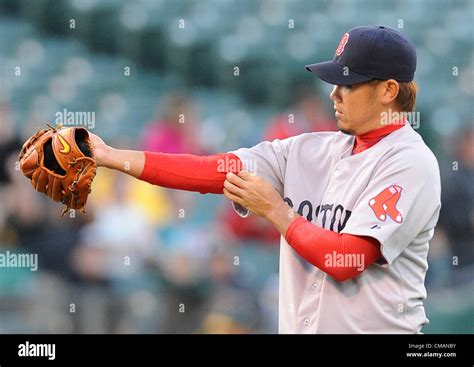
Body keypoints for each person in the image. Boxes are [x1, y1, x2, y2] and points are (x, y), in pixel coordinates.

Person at [89, 26, 441, 333]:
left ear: (388, 91)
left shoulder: (411, 164)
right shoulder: (310, 149)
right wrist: (110, 157)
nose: (334, 94)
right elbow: (211, 170)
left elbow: (346, 261)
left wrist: (277, 211)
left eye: (347, 84)